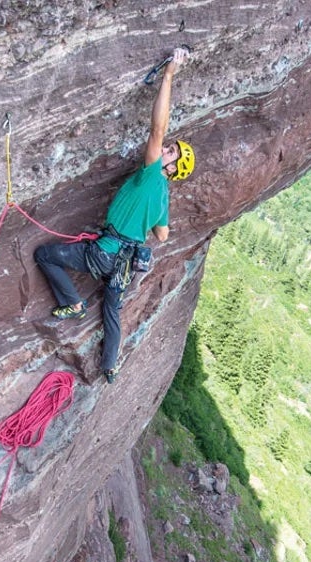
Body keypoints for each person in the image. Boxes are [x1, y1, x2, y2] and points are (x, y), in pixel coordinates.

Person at [34, 47, 196, 384]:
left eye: (171, 152)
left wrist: (169, 76)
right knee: (112, 313)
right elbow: (163, 234)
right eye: (170, 148)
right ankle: (110, 366)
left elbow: (157, 129)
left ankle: (73, 303)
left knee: (45, 255)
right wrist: (141, 218)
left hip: (105, 253)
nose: (166, 148)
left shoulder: (151, 175)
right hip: (124, 265)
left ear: (171, 167)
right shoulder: (162, 197)